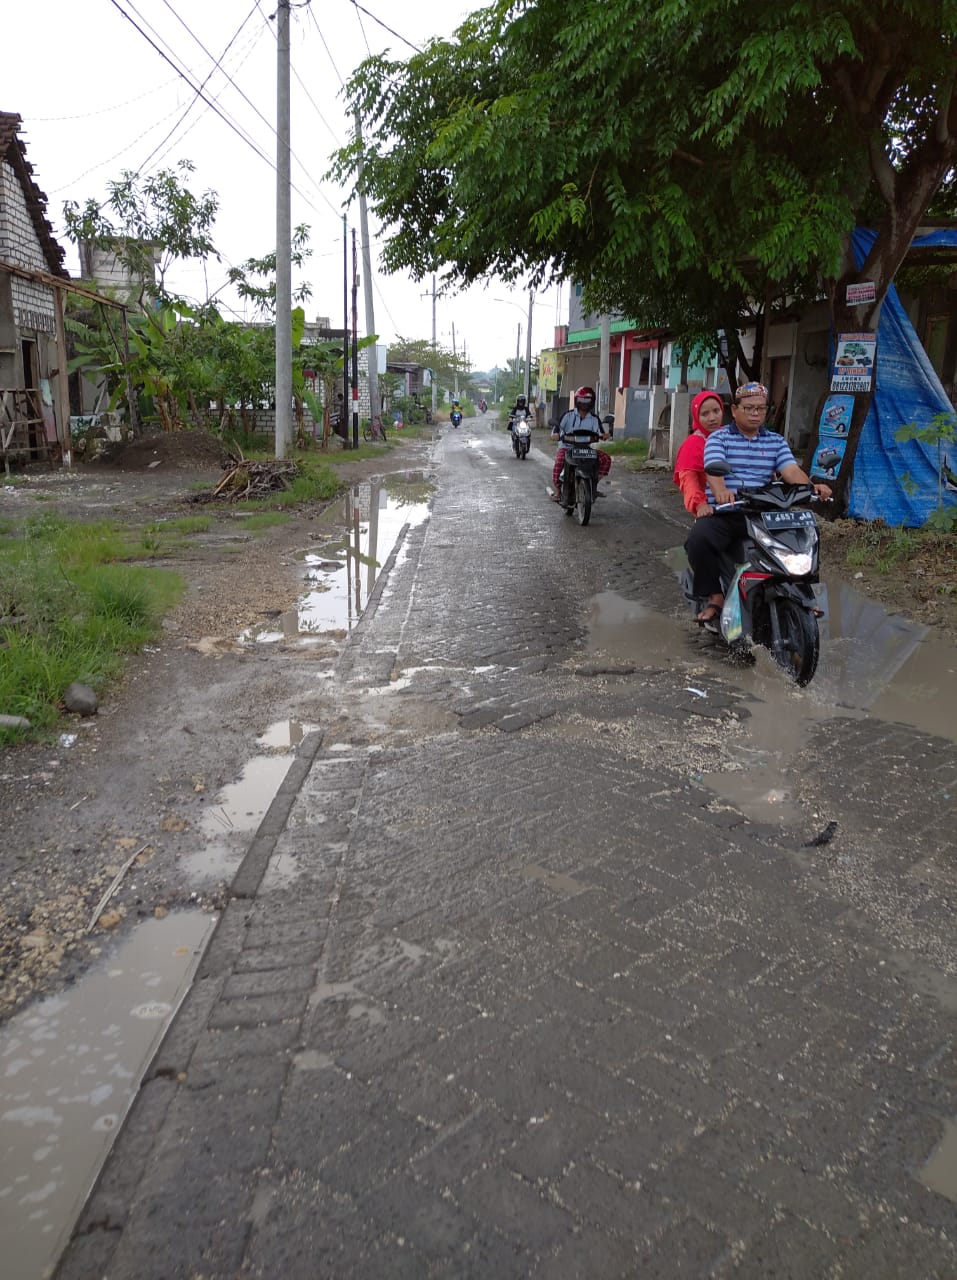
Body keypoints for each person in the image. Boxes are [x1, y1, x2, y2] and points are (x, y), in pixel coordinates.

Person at [685, 381, 832, 626]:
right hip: (730, 511)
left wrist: (811, 488)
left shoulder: (775, 441)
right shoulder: (719, 438)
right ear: (735, 410)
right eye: (749, 408)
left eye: (761, 408)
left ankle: (802, 592)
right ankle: (715, 597)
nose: (755, 413)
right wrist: (721, 492)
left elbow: (791, 471)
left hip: (766, 513)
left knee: (805, 537)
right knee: (699, 539)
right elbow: (713, 470)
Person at [551, 385, 611, 498]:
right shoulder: (568, 415)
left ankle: (593, 484)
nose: (584, 403)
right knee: (559, 461)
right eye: (581, 400)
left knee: (606, 459)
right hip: (567, 447)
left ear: (592, 402)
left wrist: (604, 435)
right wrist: (555, 435)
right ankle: (558, 489)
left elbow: (600, 432)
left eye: (587, 400)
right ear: (576, 400)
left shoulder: (594, 419)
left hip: (585, 448)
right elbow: (557, 428)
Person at [673, 390, 725, 518]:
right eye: (705, 414)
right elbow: (688, 479)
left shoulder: (728, 436)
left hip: (736, 504)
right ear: (696, 416)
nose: (712, 418)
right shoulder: (692, 444)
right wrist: (700, 504)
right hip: (709, 509)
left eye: (716, 411)